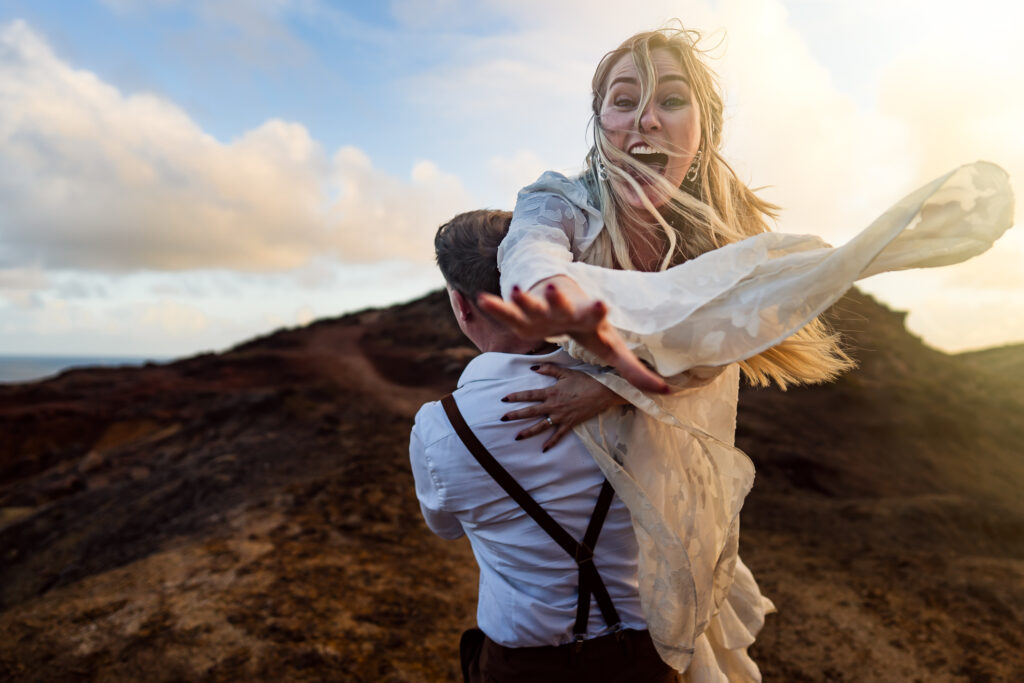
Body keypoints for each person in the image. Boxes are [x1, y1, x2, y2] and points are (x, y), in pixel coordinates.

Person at [477, 24, 1013, 680]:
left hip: (669, 465)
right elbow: (529, 252)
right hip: (577, 477)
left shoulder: (716, 231)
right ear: (599, 121)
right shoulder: (559, 200)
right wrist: (552, 293)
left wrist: (614, 385)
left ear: (703, 128)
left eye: (671, 101)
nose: (645, 118)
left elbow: (720, 343)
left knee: (680, 629)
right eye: (624, 100)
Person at [410, 209, 680, 682]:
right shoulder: (637, 385)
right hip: (646, 659)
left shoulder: (441, 428)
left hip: (526, 666)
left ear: (462, 305)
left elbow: (446, 528)